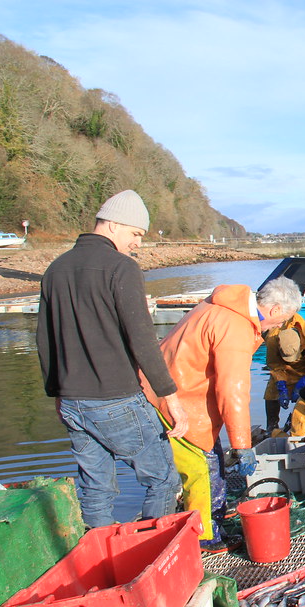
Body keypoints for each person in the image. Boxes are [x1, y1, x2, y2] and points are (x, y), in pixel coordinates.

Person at [36, 189, 189, 529]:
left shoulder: (56, 269)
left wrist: (57, 395)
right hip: (116, 397)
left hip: (73, 402)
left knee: (96, 488)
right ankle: (153, 552)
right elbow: (143, 341)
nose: (137, 243)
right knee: (163, 480)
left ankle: (98, 558)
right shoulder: (122, 268)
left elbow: (45, 342)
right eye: (136, 234)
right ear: (115, 225)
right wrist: (171, 398)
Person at [142, 276, 301, 552]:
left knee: (212, 460)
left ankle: (214, 519)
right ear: (274, 310)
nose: (276, 327)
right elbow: (233, 391)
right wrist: (242, 445)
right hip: (177, 401)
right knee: (200, 469)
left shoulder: (221, 305)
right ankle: (203, 534)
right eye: (279, 321)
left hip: (176, 391)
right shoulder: (235, 326)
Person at [263, 313, 305, 433]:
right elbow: (274, 365)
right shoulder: (272, 338)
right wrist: (281, 384)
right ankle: (271, 426)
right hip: (284, 368)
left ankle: (297, 421)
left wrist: (304, 381)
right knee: (271, 393)